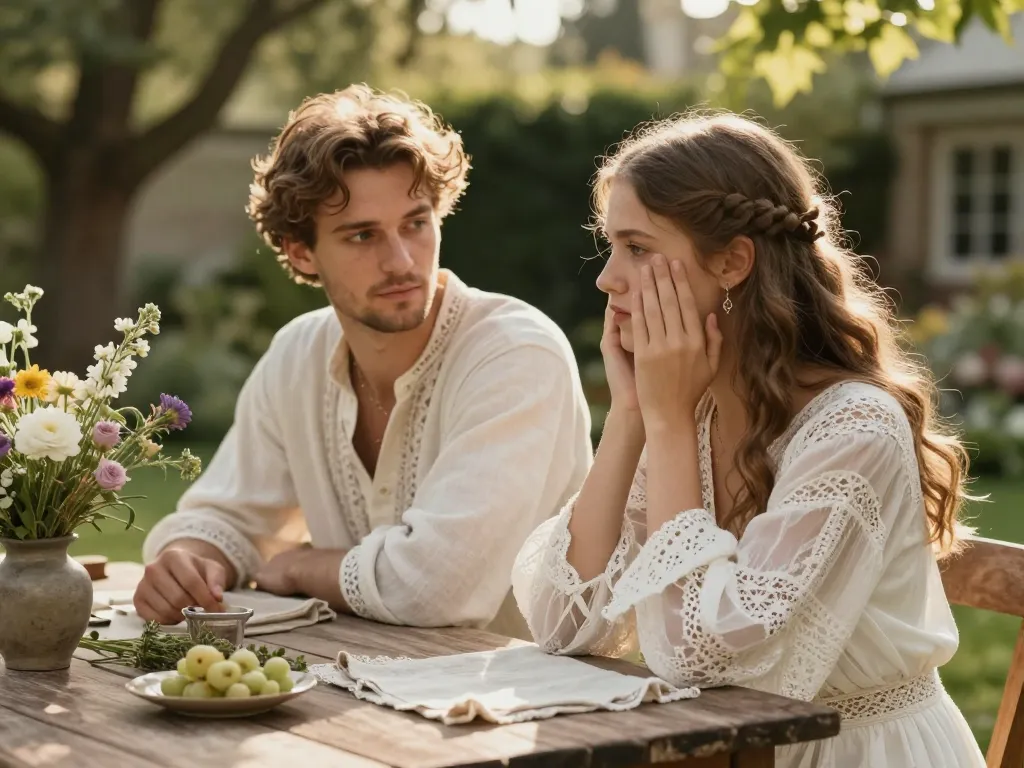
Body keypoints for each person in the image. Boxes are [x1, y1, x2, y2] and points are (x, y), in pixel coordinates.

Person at [510, 111, 985, 766]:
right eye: (610, 246)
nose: (607, 278)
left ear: (733, 261)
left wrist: (667, 423)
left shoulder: (853, 428)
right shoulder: (690, 407)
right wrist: (630, 417)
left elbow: (696, 655)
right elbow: (564, 624)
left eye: (639, 248)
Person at [134, 84, 593, 640]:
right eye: (362, 235)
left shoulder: (515, 354)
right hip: (349, 690)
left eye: (415, 224)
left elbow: (438, 586)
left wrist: (307, 565)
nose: (400, 261)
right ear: (300, 250)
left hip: (527, 705)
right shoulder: (297, 356)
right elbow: (228, 517)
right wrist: (189, 559)